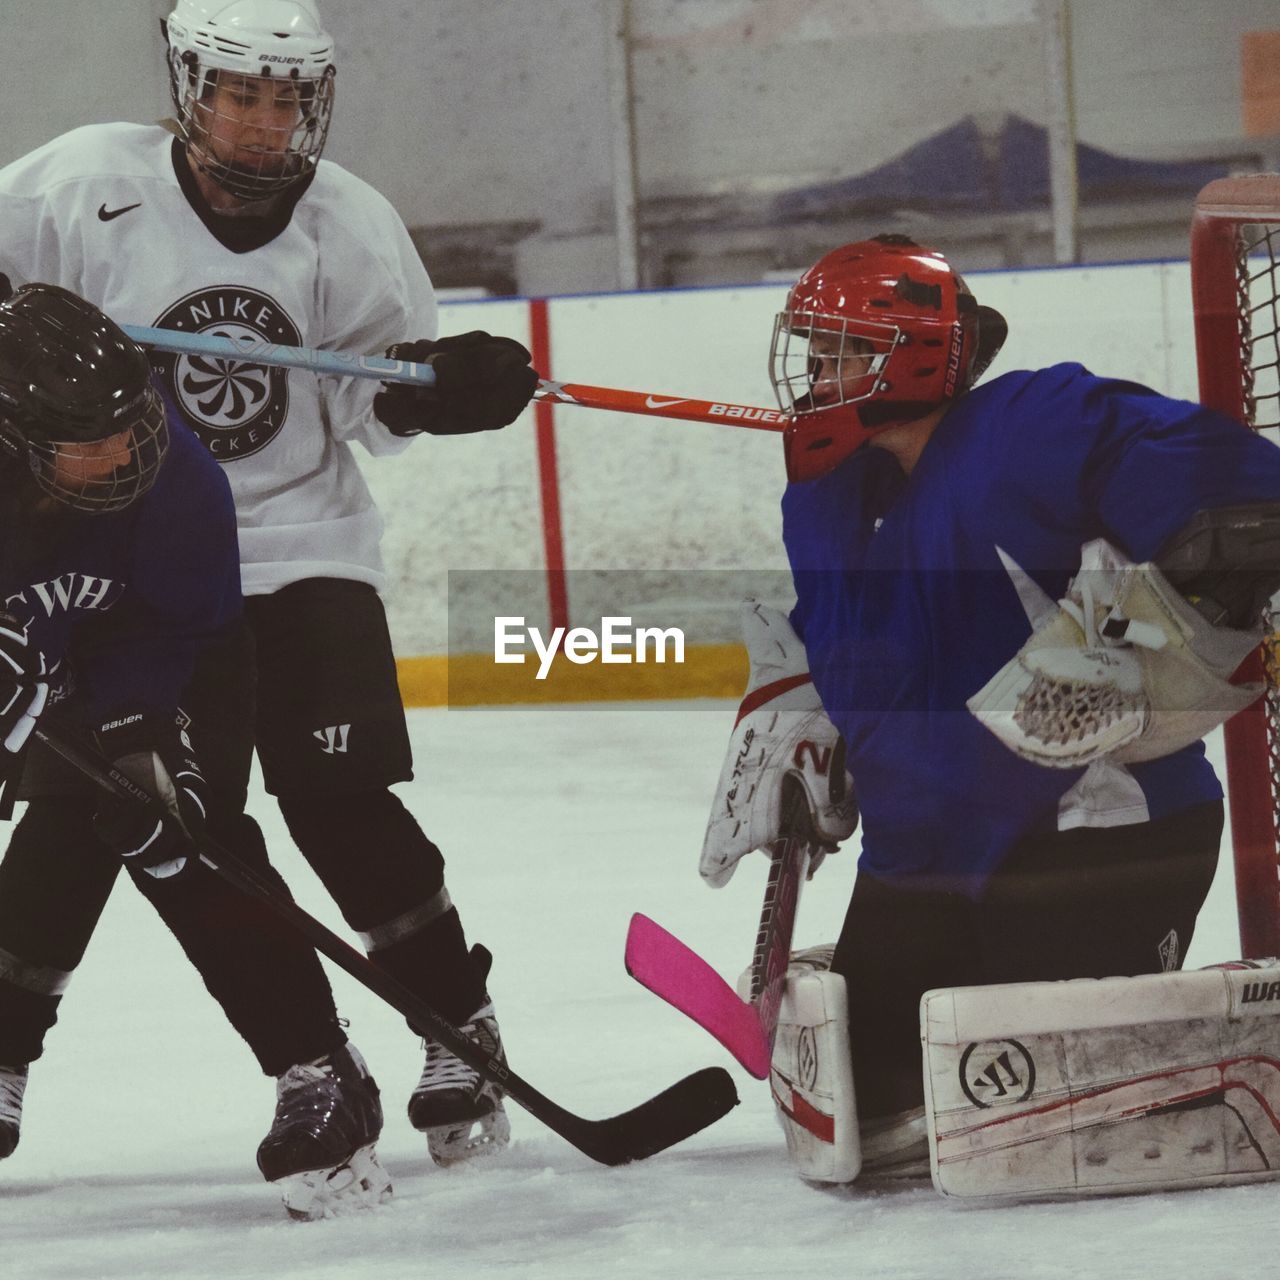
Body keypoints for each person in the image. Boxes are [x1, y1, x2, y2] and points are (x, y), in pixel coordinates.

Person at [0, 0, 538, 1208]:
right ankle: (3, 1055)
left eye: (285, 98)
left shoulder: (351, 222)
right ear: (190, 86)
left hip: (298, 548)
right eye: (239, 93)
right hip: (119, 559)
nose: (261, 121)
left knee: (339, 799)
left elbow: (371, 401)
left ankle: (458, 1025)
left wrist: (431, 395)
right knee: (90, 807)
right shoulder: (79, 182)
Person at [699, 234, 1280, 1179]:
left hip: (1094, 837)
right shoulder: (833, 492)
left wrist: (1130, 642)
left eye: (843, 349)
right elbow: (850, 646)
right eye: (813, 347)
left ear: (912, 358)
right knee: (875, 1126)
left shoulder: (1033, 423)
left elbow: (1251, 508)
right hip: (918, 858)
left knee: (1036, 1132)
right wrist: (809, 726)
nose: (818, 372)